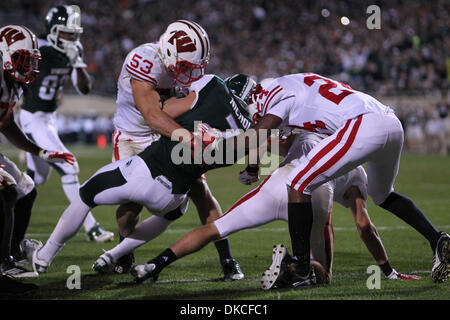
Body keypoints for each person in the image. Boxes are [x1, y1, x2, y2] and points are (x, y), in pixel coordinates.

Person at [209, 72, 449, 285]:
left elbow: (259, 132)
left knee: (297, 182)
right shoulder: (293, 83)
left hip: (363, 123)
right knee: (383, 195)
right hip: (390, 123)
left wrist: (216, 144)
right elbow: (271, 132)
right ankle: (437, 239)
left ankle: (302, 268)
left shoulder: (275, 96)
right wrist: (252, 167)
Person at [20, 74, 253, 279]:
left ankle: (44, 256)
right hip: (175, 197)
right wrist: (249, 171)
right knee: (176, 210)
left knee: (86, 194)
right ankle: (115, 255)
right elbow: (253, 164)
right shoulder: (251, 135)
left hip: (147, 171)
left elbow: (165, 112)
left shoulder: (214, 84)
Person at [128, 126, 420, 286]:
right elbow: (363, 224)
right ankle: (291, 266)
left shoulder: (305, 132)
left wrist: (252, 168)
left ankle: (154, 264)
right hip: (314, 197)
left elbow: (264, 137)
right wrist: (387, 269)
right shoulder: (353, 165)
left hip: (278, 184)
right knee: (322, 275)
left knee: (216, 228)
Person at [107, 20, 243, 278]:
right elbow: (152, 115)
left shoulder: (181, 63)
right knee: (130, 210)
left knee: (201, 190)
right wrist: (190, 137)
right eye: (186, 67)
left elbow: (180, 107)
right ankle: (124, 249)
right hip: (133, 136)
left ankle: (227, 258)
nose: (191, 74)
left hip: (164, 133)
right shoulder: (144, 60)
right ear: (169, 52)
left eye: (196, 67)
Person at [19, 5, 114, 242]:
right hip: (32, 117)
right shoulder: (37, 47)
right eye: (65, 32)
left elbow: (84, 89)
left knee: (35, 180)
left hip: (48, 119)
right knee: (69, 166)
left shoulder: (75, 49)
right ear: (52, 29)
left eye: (74, 33)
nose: (71, 38)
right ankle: (91, 228)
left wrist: (78, 64)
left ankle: (9, 210)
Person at [0, 24, 74, 293]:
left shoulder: (12, 82)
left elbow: (6, 124)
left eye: (31, 62)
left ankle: (13, 253)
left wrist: (39, 151)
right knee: (5, 191)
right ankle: (3, 266)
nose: (28, 67)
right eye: (22, 60)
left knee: (26, 189)